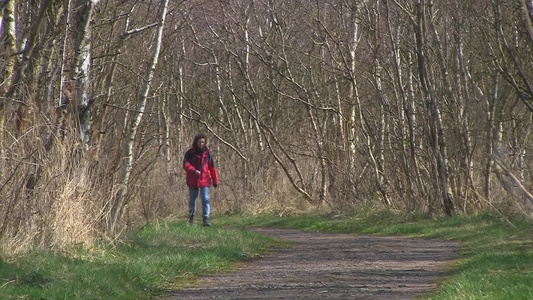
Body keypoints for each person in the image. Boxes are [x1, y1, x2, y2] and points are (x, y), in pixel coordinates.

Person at [183, 133, 219, 226]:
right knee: (193, 200)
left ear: (205, 142)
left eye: (203, 142)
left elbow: (212, 168)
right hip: (193, 179)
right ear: (196, 142)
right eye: (199, 142)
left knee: (205, 199)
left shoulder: (207, 154)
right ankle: (191, 219)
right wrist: (194, 170)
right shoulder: (190, 153)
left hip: (205, 179)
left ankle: (206, 219)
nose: (201, 144)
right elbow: (186, 165)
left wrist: (215, 180)